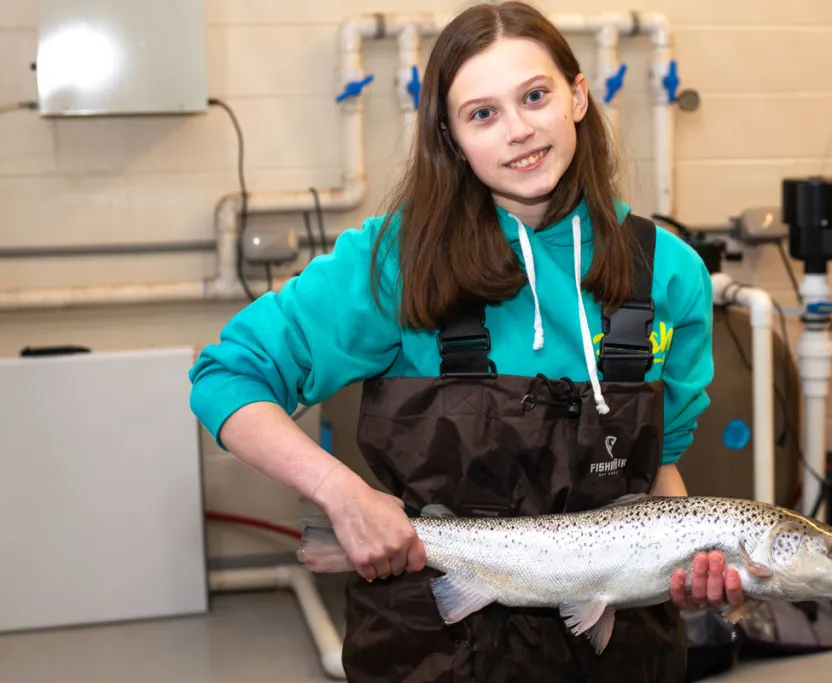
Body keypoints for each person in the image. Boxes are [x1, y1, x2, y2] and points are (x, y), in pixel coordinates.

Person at [189, 1, 745, 681]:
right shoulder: (395, 261)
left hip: (616, 648)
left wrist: (688, 561)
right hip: (431, 645)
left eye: (535, 96)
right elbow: (226, 375)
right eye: (482, 113)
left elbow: (658, 472)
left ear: (576, 97)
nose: (519, 131)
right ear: (450, 136)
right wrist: (342, 494)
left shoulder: (670, 272)